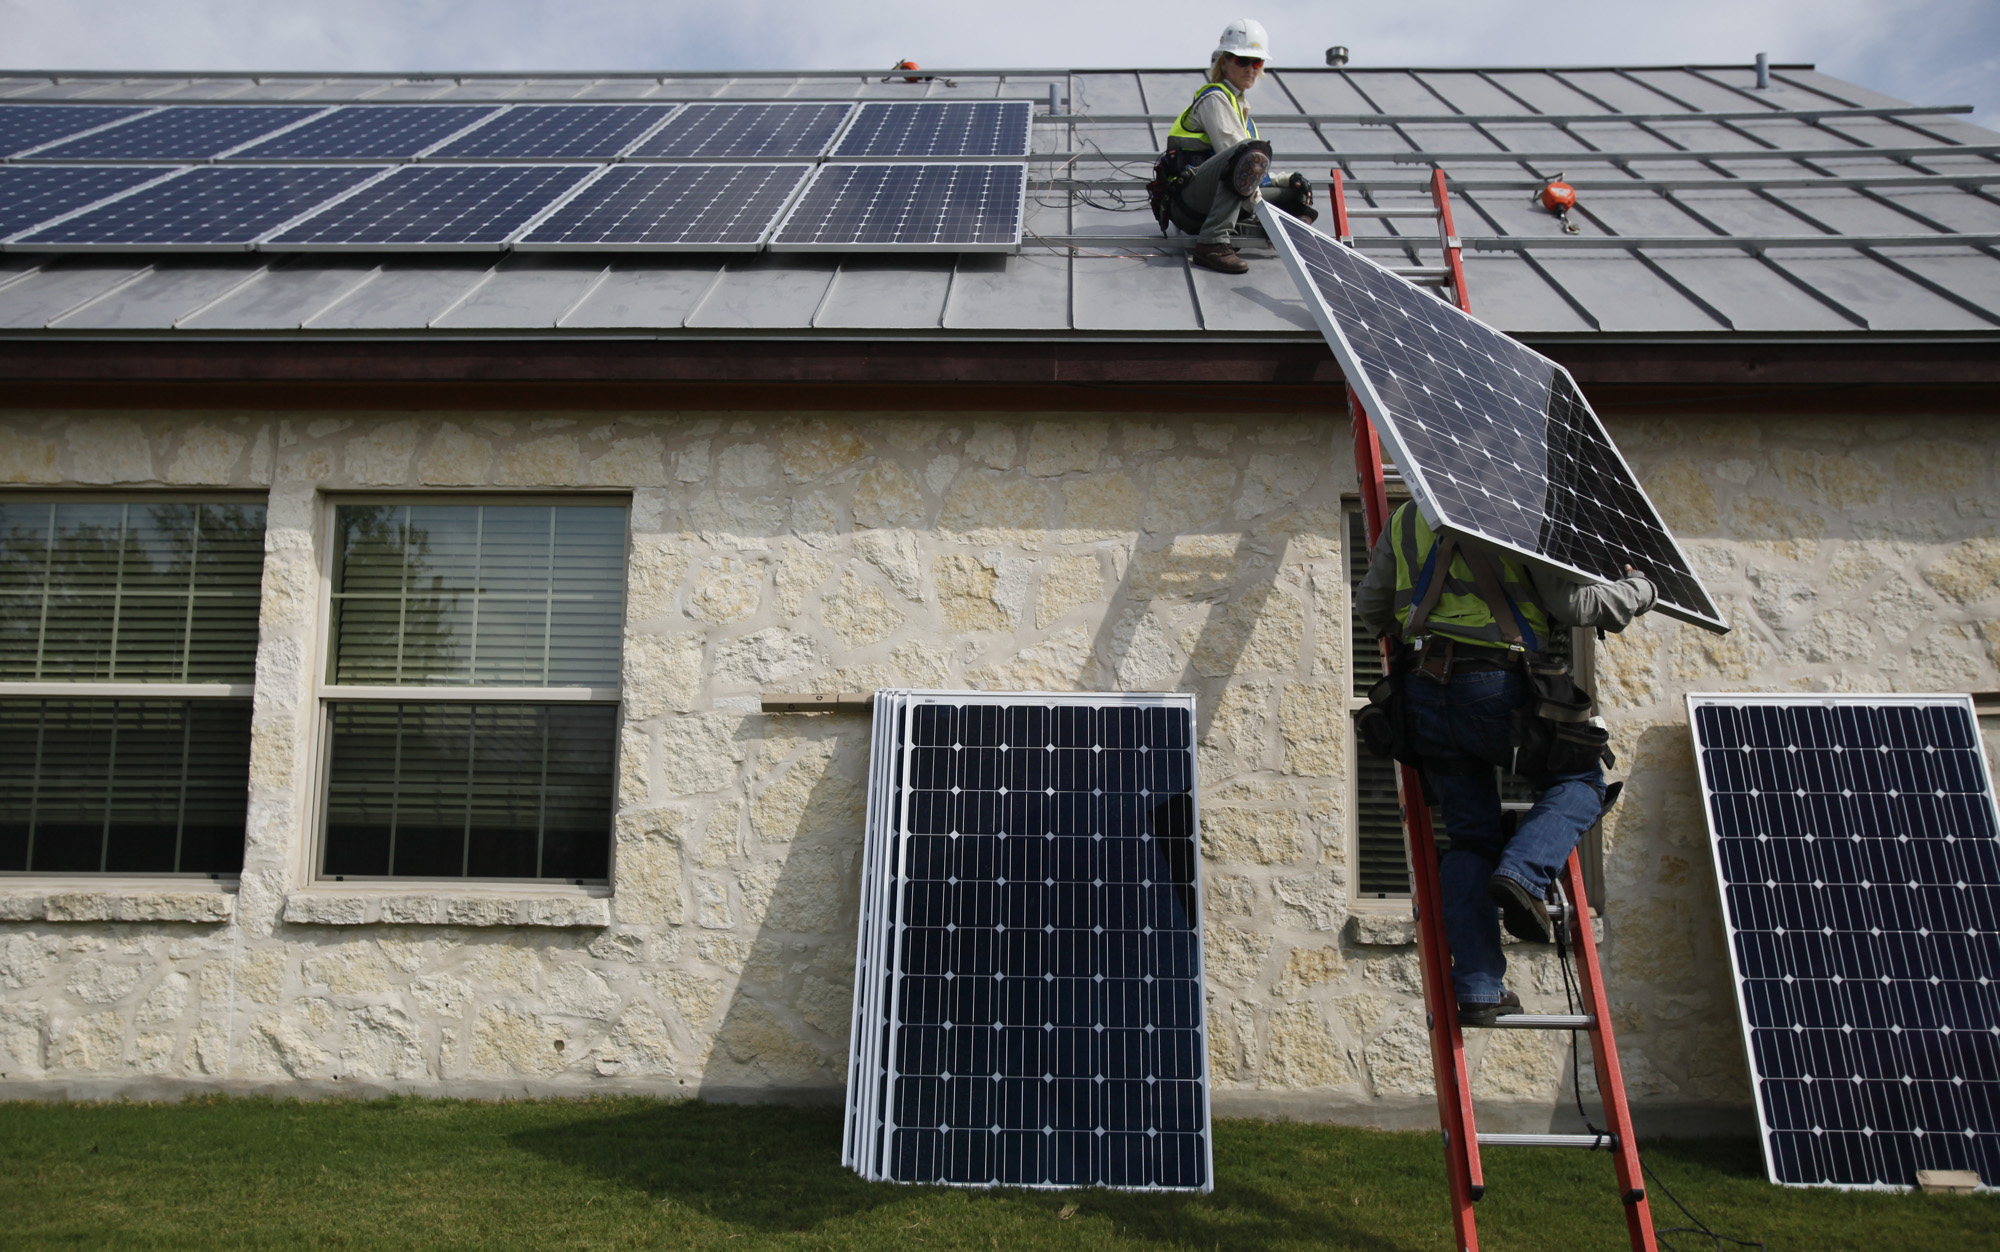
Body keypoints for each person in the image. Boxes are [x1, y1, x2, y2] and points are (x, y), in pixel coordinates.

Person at [1355, 501, 1656, 1027]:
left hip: (1421, 695)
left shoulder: (1406, 518)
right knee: (1582, 782)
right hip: (1499, 685)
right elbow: (1582, 606)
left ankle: (1477, 986)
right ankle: (1524, 872)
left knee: (1470, 838)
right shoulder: (1518, 510)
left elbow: (1373, 609)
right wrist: (1640, 589)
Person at [1163, 18, 1316, 275]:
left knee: (1295, 193)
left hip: (1217, 199)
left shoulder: (1241, 110)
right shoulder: (1215, 99)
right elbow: (1239, 159)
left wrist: (1287, 180)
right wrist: (1265, 211)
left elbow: (1252, 171)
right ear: (1224, 62)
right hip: (1189, 201)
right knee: (1248, 154)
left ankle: (1270, 229)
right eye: (1241, 60)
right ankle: (1212, 244)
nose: (1250, 68)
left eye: (1256, 62)